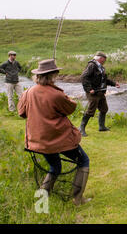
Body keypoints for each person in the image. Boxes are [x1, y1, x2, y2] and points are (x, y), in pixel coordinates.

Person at [18, 59, 91, 206]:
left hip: (39, 141)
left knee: (55, 166)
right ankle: (77, 199)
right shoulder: (56, 94)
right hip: (59, 139)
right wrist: (65, 96)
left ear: (38, 76)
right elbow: (70, 108)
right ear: (52, 75)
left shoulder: (28, 93)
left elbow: (21, 113)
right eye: (56, 73)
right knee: (84, 161)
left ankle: (43, 198)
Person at [79, 51, 120, 137]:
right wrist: (89, 89)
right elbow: (83, 77)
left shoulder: (101, 67)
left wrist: (114, 83)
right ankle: (81, 128)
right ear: (100, 58)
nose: (105, 61)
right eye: (104, 60)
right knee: (91, 110)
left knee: (104, 109)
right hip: (93, 93)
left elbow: (104, 80)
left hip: (101, 92)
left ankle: (101, 127)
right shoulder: (92, 65)